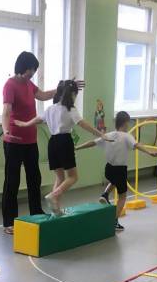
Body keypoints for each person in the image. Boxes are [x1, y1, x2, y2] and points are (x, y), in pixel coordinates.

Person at [1, 51, 84, 234]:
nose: (32, 73)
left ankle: (36, 213)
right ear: (22, 67)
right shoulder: (10, 85)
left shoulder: (29, 84)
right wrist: (6, 131)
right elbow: (6, 111)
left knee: (34, 178)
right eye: (30, 69)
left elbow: (45, 95)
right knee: (12, 181)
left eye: (34, 70)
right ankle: (9, 222)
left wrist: (66, 86)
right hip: (14, 140)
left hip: (30, 140)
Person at [14, 80, 107, 216]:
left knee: (60, 177)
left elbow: (37, 119)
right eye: (75, 95)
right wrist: (100, 134)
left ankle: (55, 208)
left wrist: (24, 124)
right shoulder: (70, 109)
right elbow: (83, 124)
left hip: (52, 143)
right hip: (64, 141)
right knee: (73, 177)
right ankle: (54, 195)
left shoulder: (50, 109)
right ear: (72, 94)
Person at [76, 110, 157, 231]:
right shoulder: (127, 136)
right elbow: (136, 145)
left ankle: (105, 194)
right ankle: (114, 222)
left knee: (114, 180)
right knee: (122, 196)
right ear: (125, 123)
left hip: (108, 169)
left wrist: (77, 147)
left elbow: (92, 142)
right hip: (120, 170)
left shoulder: (108, 135)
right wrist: (149, 152)